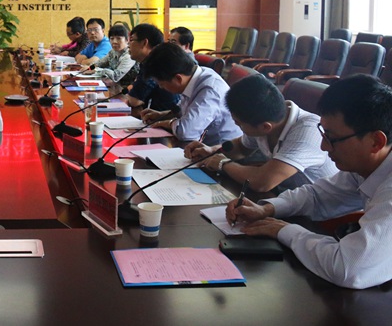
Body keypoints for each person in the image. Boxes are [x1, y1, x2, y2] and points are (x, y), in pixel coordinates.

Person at [227, 75, 392, 290]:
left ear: (376, 142)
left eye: (331, 137)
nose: (323, 146)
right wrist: (267, 209)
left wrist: (285, 231)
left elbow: (349, 268)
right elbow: (318, 195)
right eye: (323, 132)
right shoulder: (364, 165)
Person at [185, 74, 337, 192]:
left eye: (239, 124)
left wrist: (223, 163)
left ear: (265, 127)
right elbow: (241, 147)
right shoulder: (268, 116)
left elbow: (263, 182)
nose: (236, 126)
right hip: (288, 197)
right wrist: (212, 151)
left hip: (321, 212)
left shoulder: (308, 132)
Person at [141, 42, 242, 145]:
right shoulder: (195, 76)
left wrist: (169, 123)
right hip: (202, 145)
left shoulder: (210, 90)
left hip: (223, 149)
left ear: (178, 78)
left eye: (161, 84)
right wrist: (161, 115)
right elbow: (183, 112)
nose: (161, 87)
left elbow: (186, 132)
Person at [125, 23, 179, 118]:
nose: (128, 45)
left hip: (165, 121)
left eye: (131, 40)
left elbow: (134, 101)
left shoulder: (155, 63)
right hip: (155, 117)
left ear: (144, 43)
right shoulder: (148, 61)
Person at [89, 24, 138, 95]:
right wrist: (89, 68)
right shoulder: (113, 52)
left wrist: (97, 70)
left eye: (118, 38)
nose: (114, 41)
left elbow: (116, 76)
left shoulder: (129, 55)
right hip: (114, 89)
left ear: (127, 40)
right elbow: (98, 63)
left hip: (128, 92)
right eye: (112, 38)